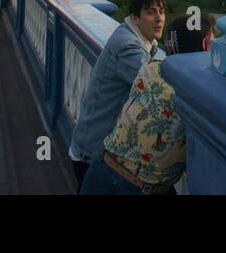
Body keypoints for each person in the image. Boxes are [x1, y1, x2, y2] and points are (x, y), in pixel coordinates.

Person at [70, 0, 166, 189]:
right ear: (135, 18)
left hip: (95, 148)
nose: (159, 18)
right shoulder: (127, 47)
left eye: (161, 11)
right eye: (150, 12)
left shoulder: (131, 36)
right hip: (94, 154)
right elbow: (159, 86)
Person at [79, 57, 185, 195]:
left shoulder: (151, 66)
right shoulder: (195, 91)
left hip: (104, 167)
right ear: (205, 43)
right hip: (139, 187)